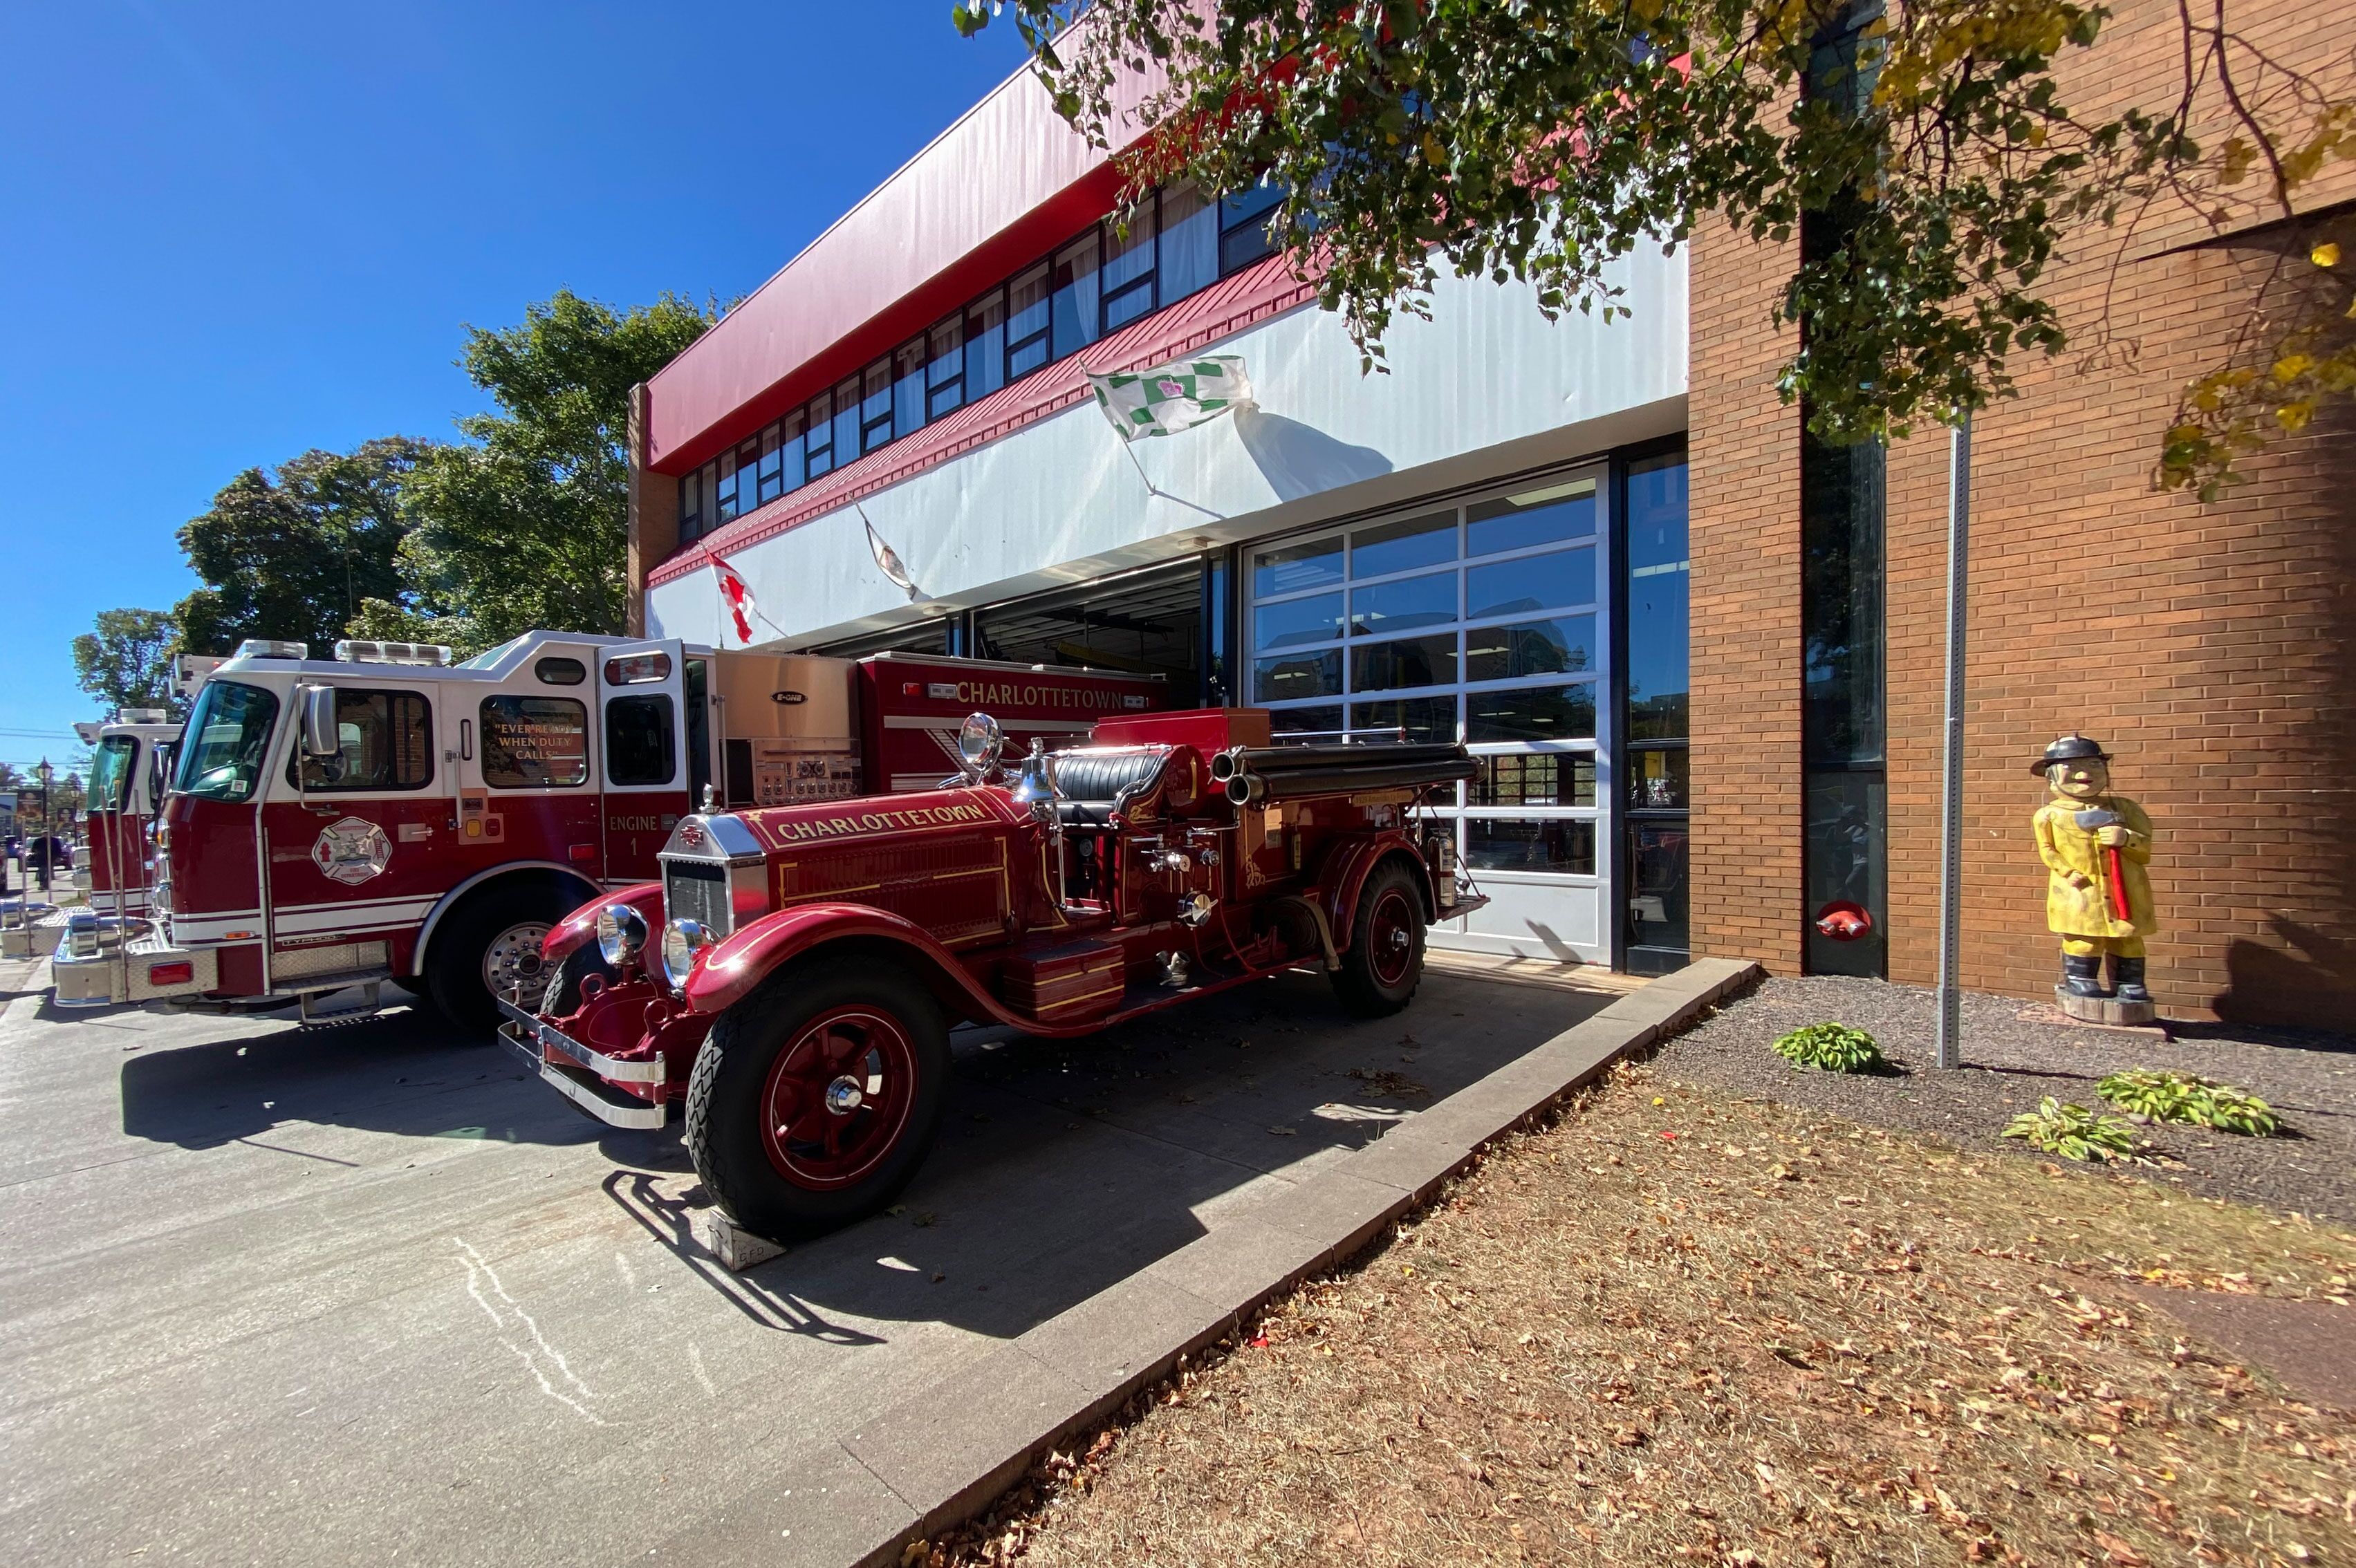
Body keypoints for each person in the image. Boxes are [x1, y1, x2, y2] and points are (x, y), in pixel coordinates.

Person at [2030, 735, 2157, 1002]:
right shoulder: (2049, 816)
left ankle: (2130, 982)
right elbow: (2048, 850)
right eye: (2072, 768)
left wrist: (2127, 839)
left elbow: (2145, 848)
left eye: (2093, 766)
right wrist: (2067, 871)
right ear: (2052, 777)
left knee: (2127, 937)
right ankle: (2080, 978)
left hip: (2125, 889)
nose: (2084, 774)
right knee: (2084, 938)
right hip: (2081, 890)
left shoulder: (2126, 809)